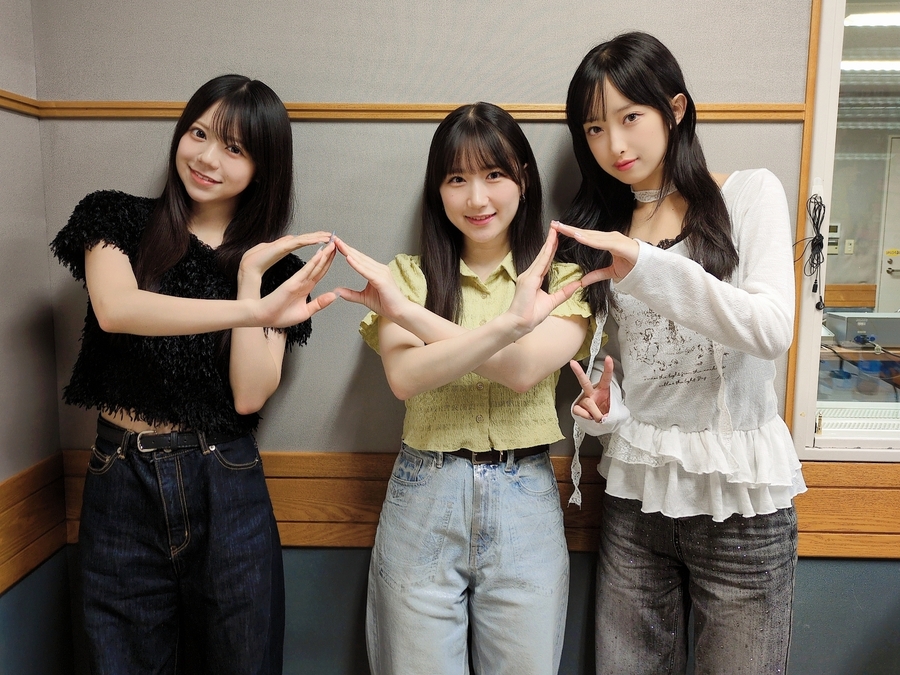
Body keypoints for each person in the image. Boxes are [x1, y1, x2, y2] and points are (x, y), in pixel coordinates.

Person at [51, 74, 338, 675]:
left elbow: (249, 395)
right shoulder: (115, 218)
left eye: (234, 148)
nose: (207, 158)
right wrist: (253, 312)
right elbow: (118, 310)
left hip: (225, 480)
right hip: (121, 478)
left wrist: (250, 280)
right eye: (199, 134)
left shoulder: (273, 269)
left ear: (263, 167)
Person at [553, 32, 807, 675]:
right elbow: (629, 370)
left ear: (675, 108)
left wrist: (645, 265)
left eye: (630, 117)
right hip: (637, 499)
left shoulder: (749, 194)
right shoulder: (604, 230)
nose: (614, 144)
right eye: (594, 128)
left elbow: (771, 328)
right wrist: (606, 411)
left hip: (742, 503)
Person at [334, 102, 591, 675]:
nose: (477, 198)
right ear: (438, 189)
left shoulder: (563, 279)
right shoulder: (407, 276)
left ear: (523, 179)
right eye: (457, 179)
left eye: (494, 174)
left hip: (525, 497)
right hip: (424, 493)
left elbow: (523, 371)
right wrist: (507, 328)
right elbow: (406, 377)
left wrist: (411, 316)